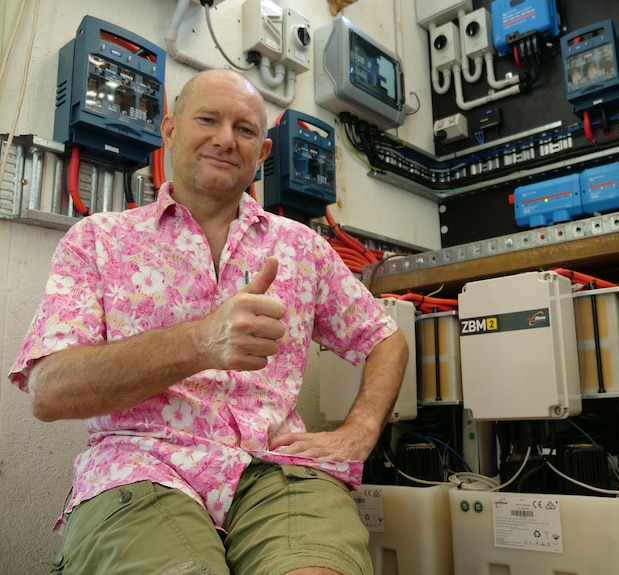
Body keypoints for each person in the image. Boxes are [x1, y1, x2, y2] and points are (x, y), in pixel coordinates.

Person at [8, 68, 409, 575]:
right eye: (208, 120)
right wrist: (198, 342)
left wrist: (360, 429)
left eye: (244, 129)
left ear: (262, 154)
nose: (225, 139)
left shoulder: (303, 248)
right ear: (171, 131)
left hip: (277, 469)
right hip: (138, 470)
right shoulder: (97, 240)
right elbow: (49, 391)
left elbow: (385, 339)